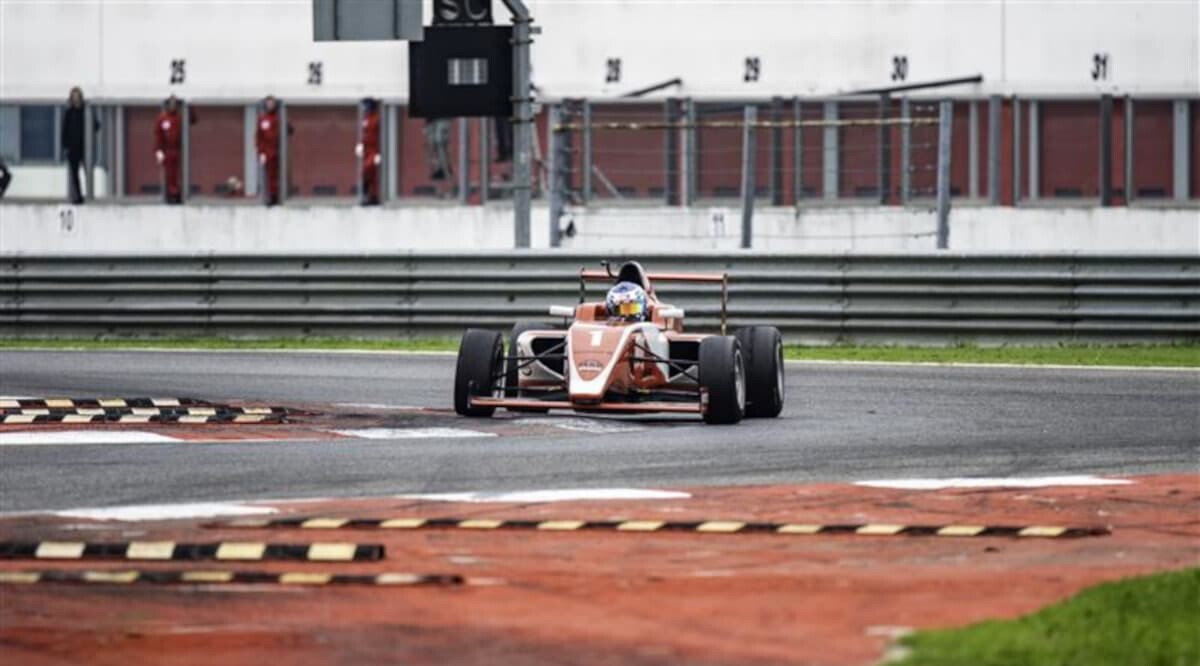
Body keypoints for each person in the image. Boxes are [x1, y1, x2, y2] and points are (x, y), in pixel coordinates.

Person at [154, 95, 196, 204]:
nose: (173, 106)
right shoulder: (162, 119)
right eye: (171, 103)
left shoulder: (180, 117)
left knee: (180, 173)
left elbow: (193, 120)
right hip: (167, 150)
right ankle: (172, 195)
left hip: (179, 150)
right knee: (170, 174)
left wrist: (190, 107)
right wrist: (158, 152)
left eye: (175, 104)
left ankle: (180, 194)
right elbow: (158, 136)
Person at [61, 87, 98, 205]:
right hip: (73, 148)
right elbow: (64, 130)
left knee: (88, 171)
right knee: (74, 173)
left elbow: (96, 125)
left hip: (85, 147)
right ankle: (78, 196)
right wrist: (65, 146)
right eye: (73, 96)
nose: (76, 99)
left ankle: (90, 195)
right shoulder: (69, 113)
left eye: (77, 96)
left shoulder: (86, 111)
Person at [255, 95, 292, 206]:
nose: (270, 105)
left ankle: (280, 195)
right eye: (268, 103)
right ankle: (271, 196)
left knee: (279, 174)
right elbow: (259, 136)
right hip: (267, 152)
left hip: (279, 151)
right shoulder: (262, 119)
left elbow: (287, 131)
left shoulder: (279, 118)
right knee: (269, 175)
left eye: (272, 103)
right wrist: (260, 152)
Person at [356, 98, 381, 206]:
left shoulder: (377, 119)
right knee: (369, 174)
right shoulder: (365, 118)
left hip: (375, 150)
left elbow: (379, 135)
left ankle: (370, 195)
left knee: (369, 170)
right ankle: (370, 196)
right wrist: (360, 145)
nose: (366, 109)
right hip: (366, 150)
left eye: (367, 106)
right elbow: (364, 134)